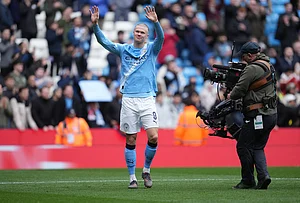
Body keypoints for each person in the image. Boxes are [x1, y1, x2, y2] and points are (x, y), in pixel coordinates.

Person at [90, 5, 164, 189]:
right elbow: (104, 42)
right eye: (137, 31)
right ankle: (132, 177)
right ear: (134, 33)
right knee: (131, 139)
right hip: (129, 99)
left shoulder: (152, 50)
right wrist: (95, 25)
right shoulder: (123, 49)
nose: (139, 34)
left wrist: (156, 23)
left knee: (153, 137)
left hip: (147, 98)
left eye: (142, 32)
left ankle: (146, 170)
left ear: (147, 35)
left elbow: (161, 38)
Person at [229, 42, 277, 190]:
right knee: (258, 146)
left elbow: (239, 91)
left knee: (243, 146)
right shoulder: (269, 66)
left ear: (250, 55)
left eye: (243, 57)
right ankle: (263, 177)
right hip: (271, 114)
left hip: (257, 114)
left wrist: (230, 93)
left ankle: (248, 180)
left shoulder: (252, 68)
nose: (243, 60)